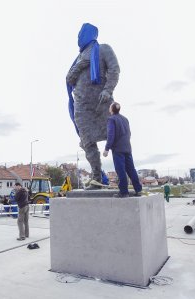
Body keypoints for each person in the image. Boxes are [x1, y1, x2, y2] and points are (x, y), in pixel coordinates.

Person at [66, 23, 120, 188]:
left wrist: (108, 90)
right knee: (87, 141)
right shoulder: (78, 59)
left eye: (81, 34)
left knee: (116, 137)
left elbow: (114, 69)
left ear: (90, 34)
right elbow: (69, 79)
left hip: (101, 103)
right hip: (82, 107)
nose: (78, 38)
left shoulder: (103, 49)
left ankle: (123, 177)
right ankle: (96, 177)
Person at [103, 102, 142, 198]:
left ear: (111, 109)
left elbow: (110, 135)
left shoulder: (111, 119)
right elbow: (129, 133)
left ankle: (124, 192)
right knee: (131, 170)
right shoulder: (125, 119)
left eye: (109, 107)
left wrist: (107, 148)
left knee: (121, 170)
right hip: (127, 148)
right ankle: (138, 190)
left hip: (118, 149)